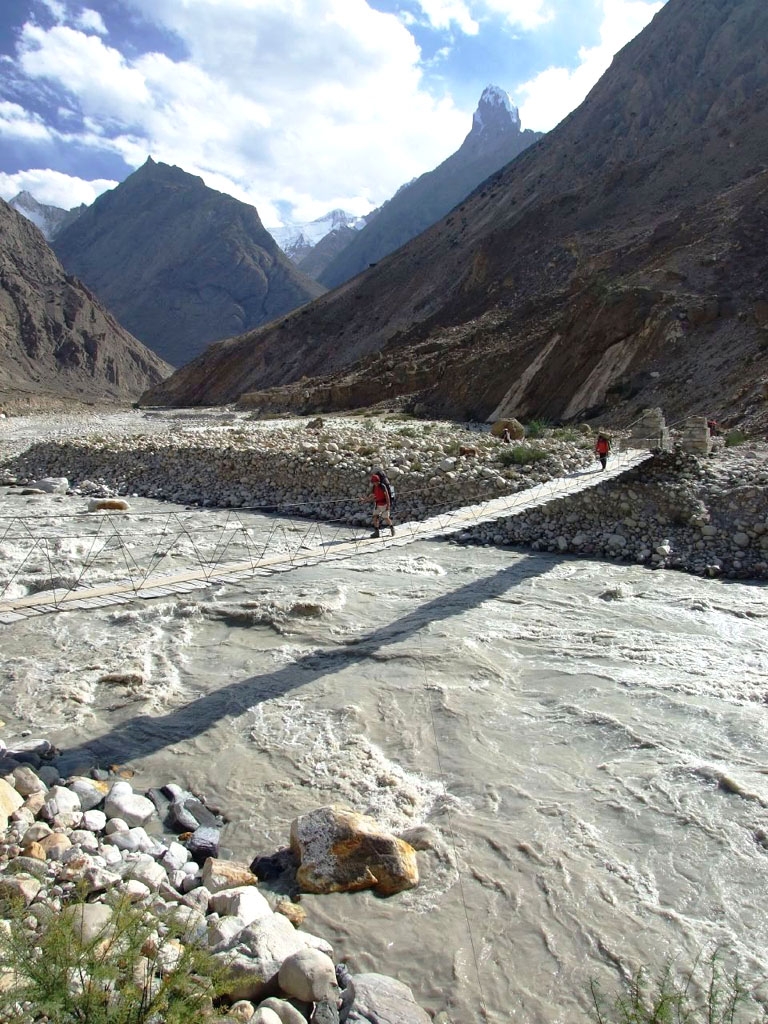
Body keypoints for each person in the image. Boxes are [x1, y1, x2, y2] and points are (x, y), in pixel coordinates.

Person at [359, 473, 394, 538]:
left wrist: (388, 505)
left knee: (386, 518)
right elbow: (372, 496)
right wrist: (364, 500)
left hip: (384, 504)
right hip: (377, 504)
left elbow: (387, 496)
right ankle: (376, 532)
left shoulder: (382, 486)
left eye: (375, 482)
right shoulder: (374, 487)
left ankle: (392, 528)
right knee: (375, 517)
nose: (375, 483)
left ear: (378, 481)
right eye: (374, 482)